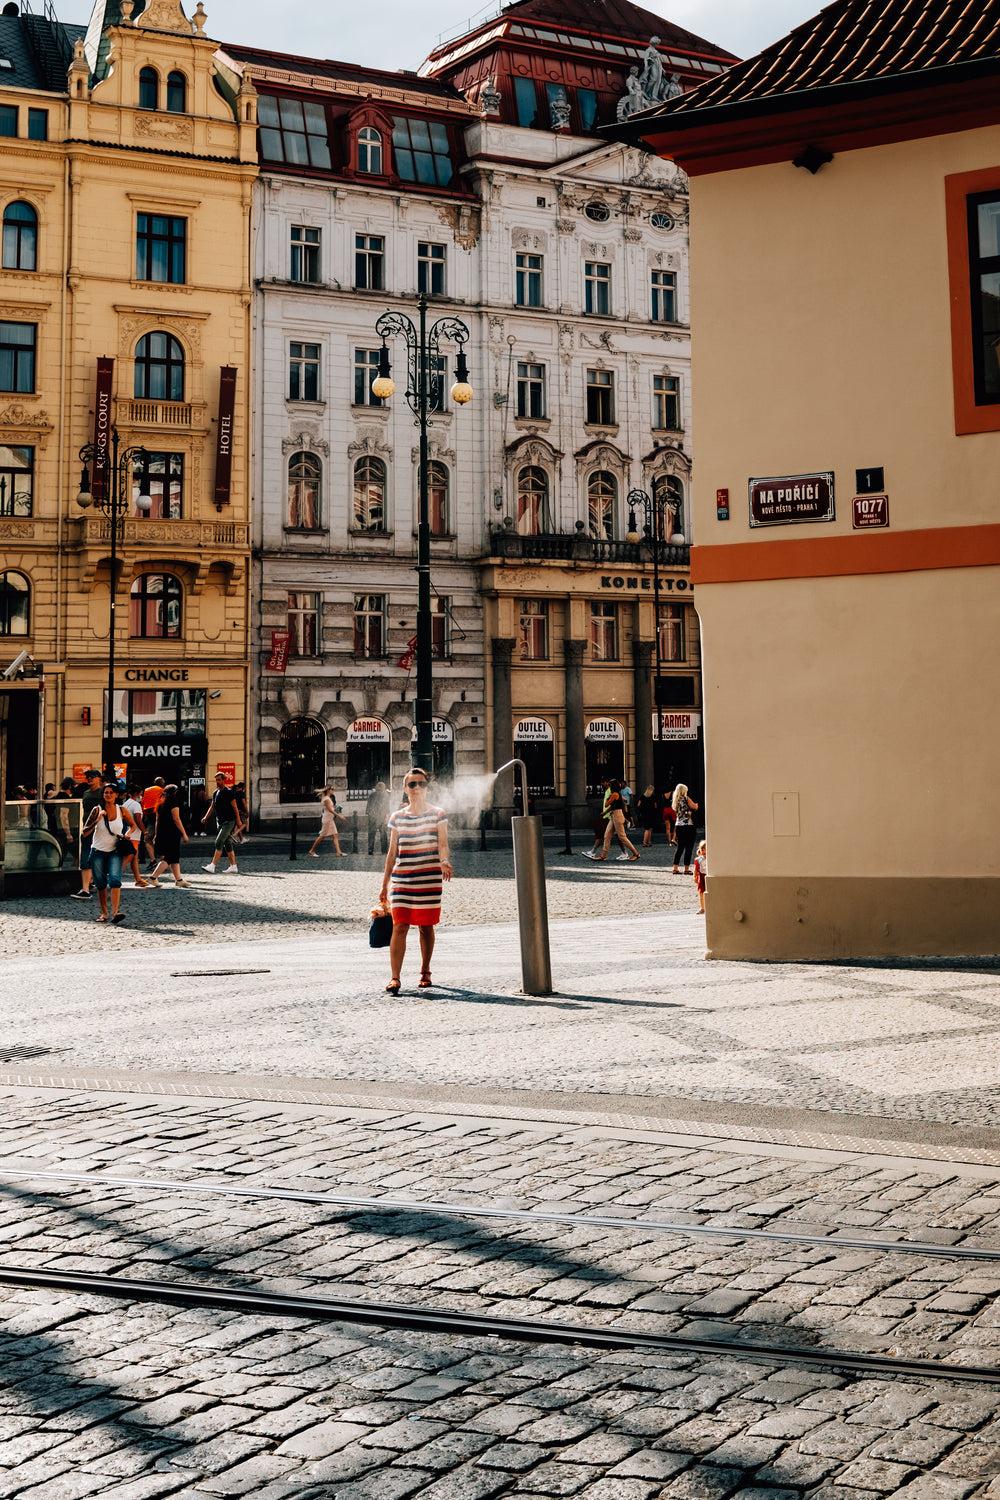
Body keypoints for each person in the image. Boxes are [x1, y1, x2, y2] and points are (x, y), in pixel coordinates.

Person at [379, 766, 452, 994]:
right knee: (399, 925)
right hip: (402, 879)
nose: (417, 787)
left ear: (427, 788)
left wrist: (445, 861)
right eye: (412, 784)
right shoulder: (397, 817)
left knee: (425, 926)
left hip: (429, 879)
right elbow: (392, 853)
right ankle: (395, 978)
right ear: (405, 788)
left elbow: (442, 844)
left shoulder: (438, 813)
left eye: (421, 783)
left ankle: (425, 970)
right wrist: (384, 885)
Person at [82, 781, 139, 924]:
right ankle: (104, 913)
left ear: (116, 795)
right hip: (98, 852)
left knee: (115, 880)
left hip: (115, 851)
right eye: (106, 792)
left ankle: (115, 913)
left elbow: (133, 825)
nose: (108, 795)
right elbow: (85, 832)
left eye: (111, 793)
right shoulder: (97, 809)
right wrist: (97, 820)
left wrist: (128, 833)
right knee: (101, 884)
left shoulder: (122, 810)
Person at [69, 769, 105, 900]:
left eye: (93, 776)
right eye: (88, 776)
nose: (89, 778)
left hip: (101, 831)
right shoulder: (85, 793)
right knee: (85, 858)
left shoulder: (104, 792)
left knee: (101, 857)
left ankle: (96, 883)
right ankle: (85, 888)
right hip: (87, 829)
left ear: (99, 778)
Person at [149, 784, 191, 886]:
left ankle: (179, 880)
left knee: (174, 857)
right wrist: (184, 833)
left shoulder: (161, 803)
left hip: (162, 833)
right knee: (169, 857)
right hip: (172, 833)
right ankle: (153, 877)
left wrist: (156, 834)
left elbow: (157, 821)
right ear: (175, 793)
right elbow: (176, 819)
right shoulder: (174, 803)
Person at [202, 771, 242, 873]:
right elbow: (212, 807)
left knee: (219, 841)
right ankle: (233, 866)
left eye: (219, 780)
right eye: (216, 780)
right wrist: (205, 817)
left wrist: (238, 820)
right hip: (219, 821)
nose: (217, 782)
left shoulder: (229, 792)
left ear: (224, 780)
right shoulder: (216, 792)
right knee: (227, 843)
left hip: (229, 821)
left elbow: (235, 807)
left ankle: (212, 866)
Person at [590, 780, 639, 862]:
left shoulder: (615, 794)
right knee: (607, 835)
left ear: (613, 786)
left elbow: (606, 804)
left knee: (622, 837)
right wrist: (605, 812)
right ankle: (603, 856)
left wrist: (607, 798)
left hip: (617, 816)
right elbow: (613, 806)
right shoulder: (617, 794)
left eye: (610, 785)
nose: (609, 786)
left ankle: (636, 854)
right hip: (614, 816)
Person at [121, 784, 148, 887]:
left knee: (134, 859)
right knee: (128, 857)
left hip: (126, 833)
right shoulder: (136, 805)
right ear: (137, 794)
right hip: (133, 835)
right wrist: (145, 831)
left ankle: (138, 879)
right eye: (141, 794)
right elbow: (138, 820)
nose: (141, 796)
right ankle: (113, 875)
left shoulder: (125, 804)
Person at [309, 786, 345, 857]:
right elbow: (330, 810)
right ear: (328, 790)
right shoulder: (326, 799)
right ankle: (312, 850)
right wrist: (339, 816)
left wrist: (336, 808)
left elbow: (330, 808)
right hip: (327, 820)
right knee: (322, 836)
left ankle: (338, 852)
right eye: (332, 789)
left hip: (330, 819)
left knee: (335, 835)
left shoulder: (327, 798)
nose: (333, 790)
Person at [671, 782, 699, 874]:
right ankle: (686, 869)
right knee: (689, 847)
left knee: (680, 847)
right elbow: (694, 807)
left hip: (679, 825)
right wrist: (696, 805)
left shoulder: (675, 801)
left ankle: (675, 868)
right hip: (688, 825)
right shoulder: (686, 798)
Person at [140, 777, 165, 867]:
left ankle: (152, 859)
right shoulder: (163, 790)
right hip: (160, 814)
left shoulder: (147, 790)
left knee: (148, 839)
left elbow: (142, 802)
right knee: (162, 837)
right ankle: (163, 859)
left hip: (149, 814)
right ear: (163, 783)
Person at [366, 781, 390, 856]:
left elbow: (368, 806)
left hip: (372, 816)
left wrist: (369, 814)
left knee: (371, 834)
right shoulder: (385, 795)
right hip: (381, 816)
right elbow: (386, 807)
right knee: (383, 834)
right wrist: (387, 816)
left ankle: (370, 849)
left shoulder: (372, 794)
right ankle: (384, 850)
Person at [693, 839, 707, 914]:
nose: (704, 853)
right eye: (703, 851)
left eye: (706, 851)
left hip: (708, 876)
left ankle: (709, 906)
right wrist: (695, 876)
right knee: (701, 893)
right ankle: (702, 908)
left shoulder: (711, 859)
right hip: (701, 876)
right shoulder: (699, 859)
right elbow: (696, 868)